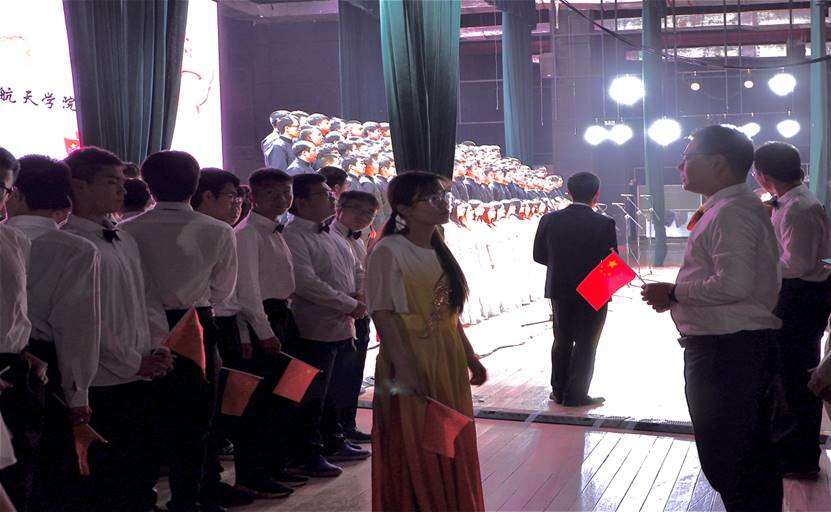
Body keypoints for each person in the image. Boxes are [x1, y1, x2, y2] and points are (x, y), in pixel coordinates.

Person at [641, 125, 783, 512]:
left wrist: (675, 293)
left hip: (728, 353)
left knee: (734, 463)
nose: (679, 166)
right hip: (731, 348)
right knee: (742, 460)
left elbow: (733, 284)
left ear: (718, 163)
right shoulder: (730, 208)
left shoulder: (732, 212)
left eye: (687, 158)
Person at [121, 151, 238, 512]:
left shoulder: (127, 230)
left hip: (138, 324)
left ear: (147, 183)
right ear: (196, 183)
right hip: (195, 324)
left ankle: (143, 499)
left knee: (145, 416)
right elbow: (223, 291)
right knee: (196, 419)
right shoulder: (218, 230)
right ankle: (188, 499)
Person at [366, 171, 487, 512]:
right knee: (419, 441)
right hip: (410, 354)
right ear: (404, 208)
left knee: (449, 435)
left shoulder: (437, 247)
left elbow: (450, 313)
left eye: (443, 196)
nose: (442, 203)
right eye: (431, 198)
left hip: (446, 355)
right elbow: (383, 314)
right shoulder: (388, 250)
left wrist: (469, 356)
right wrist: (405, 369)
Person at [62, 147, 175, 512]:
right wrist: (130, 361)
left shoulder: (124, 238)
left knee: (143, 460)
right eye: (111, 182)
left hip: (142, 367)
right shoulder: (70, 244)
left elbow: (147, 297)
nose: (122, 190)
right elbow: (86, 320)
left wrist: (159, 347)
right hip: (102, 376)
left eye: (123, 182)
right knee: (110, 470)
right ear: (79, 186)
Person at [5, 155, 101, 512]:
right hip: (48, 362)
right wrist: (79, 393)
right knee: (47, 472)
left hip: (19, 361)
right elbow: (78, 327)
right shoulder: (76, 247)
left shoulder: (10, 238)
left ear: (17, 194)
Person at [281, 173, 370, 478]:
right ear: (302, 202)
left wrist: (359, 295)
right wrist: (349, 303)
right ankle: (306, 452)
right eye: (323, 194)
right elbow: (306, 284)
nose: (332, 197)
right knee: (309, 395)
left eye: (331, 194)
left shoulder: (331, 233)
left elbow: (356, 268)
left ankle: (332, 440)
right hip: (312, 327)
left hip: (341, 323)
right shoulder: (293, 236)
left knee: (333, 390)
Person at [752, 141, 831, 478]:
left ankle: (799, 458)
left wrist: (757, 265)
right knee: (787, 374)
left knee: (795, 377)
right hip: (800, 294)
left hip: (801, 297)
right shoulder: (791, 202)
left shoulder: (798, 208)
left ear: (762, 175)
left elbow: (796, 264)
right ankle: (791, 450)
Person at [233, 168, 305, 497]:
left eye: (285, 192)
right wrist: (261, 331)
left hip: (281, 315)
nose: (281, 199)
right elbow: (246, 290)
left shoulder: (276, 229)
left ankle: (276, 464)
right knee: (259, 404)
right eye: (271, 193)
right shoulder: (247, 234)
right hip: (262, 319)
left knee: (285, 396)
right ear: (253, 197)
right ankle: (253, 474)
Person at [190, 168, 259, 508]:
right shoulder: (218, 233)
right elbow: (225, 293)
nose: (238, 204)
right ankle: (204, 484)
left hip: (223, 323)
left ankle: (209, 480)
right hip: (207, 323)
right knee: (209, 411)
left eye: (240, 198)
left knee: (222, 408)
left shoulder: (225, 231)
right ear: (206, 196)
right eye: (232, 197)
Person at [532, 172, 616, 407]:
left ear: (568, 193)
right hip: (596, 287)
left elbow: (538, 255)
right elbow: (612, 260)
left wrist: (562, 267)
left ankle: (558, 391)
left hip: (560, 287)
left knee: (562, 339)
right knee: (587, 343)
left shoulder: (549, 220)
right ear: (597, 195)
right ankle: (577, 394)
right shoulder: (605, 223)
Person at [0, 147, 43, 512]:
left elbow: (15, 308)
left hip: (11, 367)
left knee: (18, 467)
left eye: (2, 188)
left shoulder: (15, 240)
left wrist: (24, 348)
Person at [330, 191, 379, 444]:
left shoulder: (358, 239)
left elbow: (362, 273)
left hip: (360, 311)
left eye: (369, 213)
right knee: (339, 375)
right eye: (357, 210)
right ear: (340, 209)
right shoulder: (329, 236)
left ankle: (348, 424)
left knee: (354, 372)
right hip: (340, 312)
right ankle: (336, 429)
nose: (363, 216)